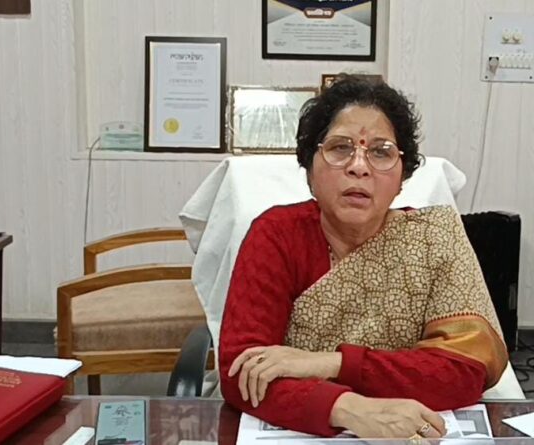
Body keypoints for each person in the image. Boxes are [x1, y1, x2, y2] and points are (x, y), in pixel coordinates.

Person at [218, 75, 508, 439]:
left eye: (380, 152)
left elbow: (464, 372)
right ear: (310, 170)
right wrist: (352, 410)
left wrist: (330, 364)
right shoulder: (276, 235)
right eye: (340, 148)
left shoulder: (434, 239)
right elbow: (242, 373)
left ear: (401, 178)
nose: (359, 166)